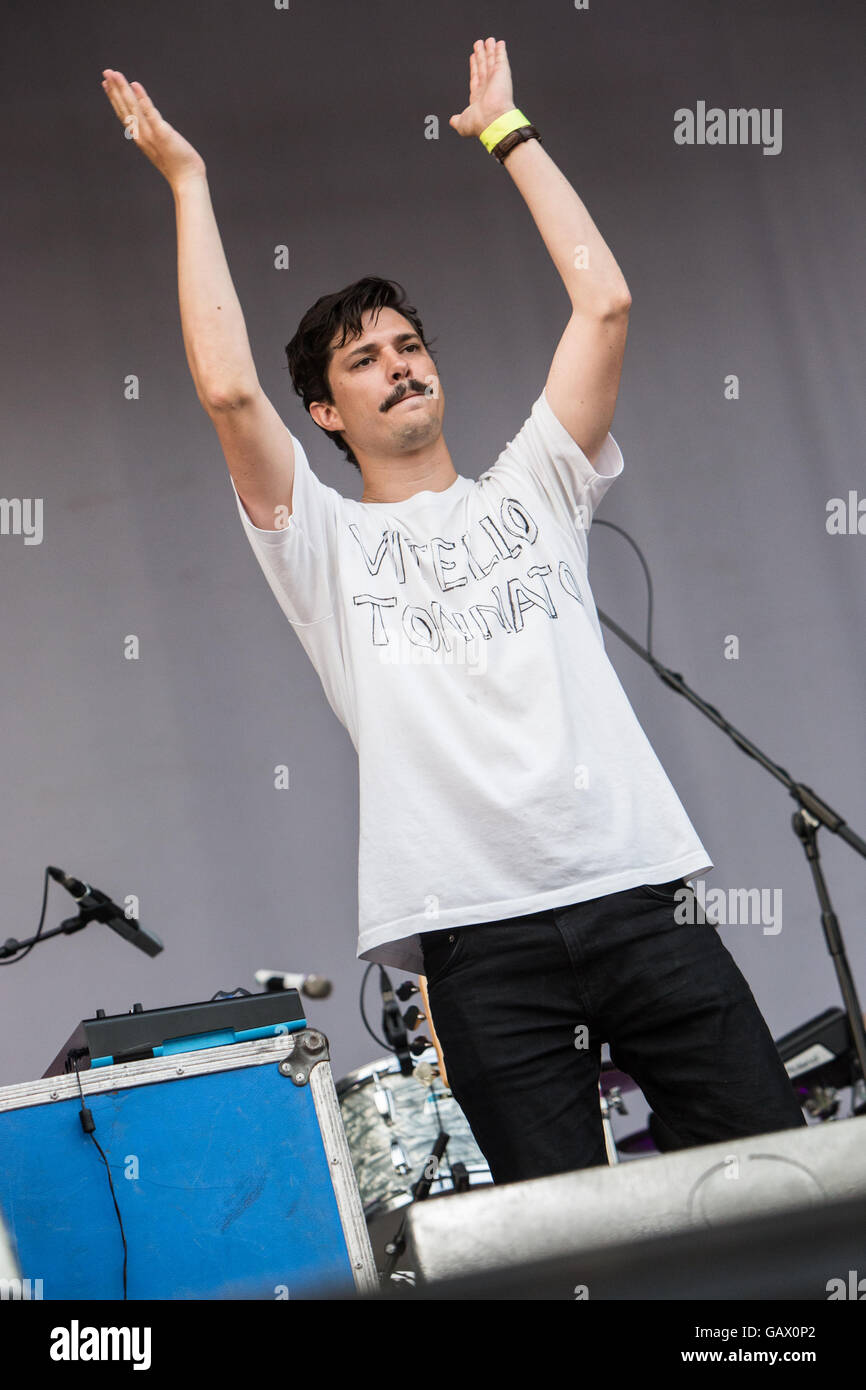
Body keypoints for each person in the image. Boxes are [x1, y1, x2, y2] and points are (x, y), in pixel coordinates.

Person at [101, 37, 805, 1186]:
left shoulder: (537, 483)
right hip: (478, 946)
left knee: (770, 1188)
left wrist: (506, 134)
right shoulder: (322, 542)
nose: (398, 365)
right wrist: (189, 183)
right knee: (568, 1238)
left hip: (637, 894)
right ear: (325, 413)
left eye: (409, 344)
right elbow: (227, 387)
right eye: (364, 360)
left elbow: (605, 300)